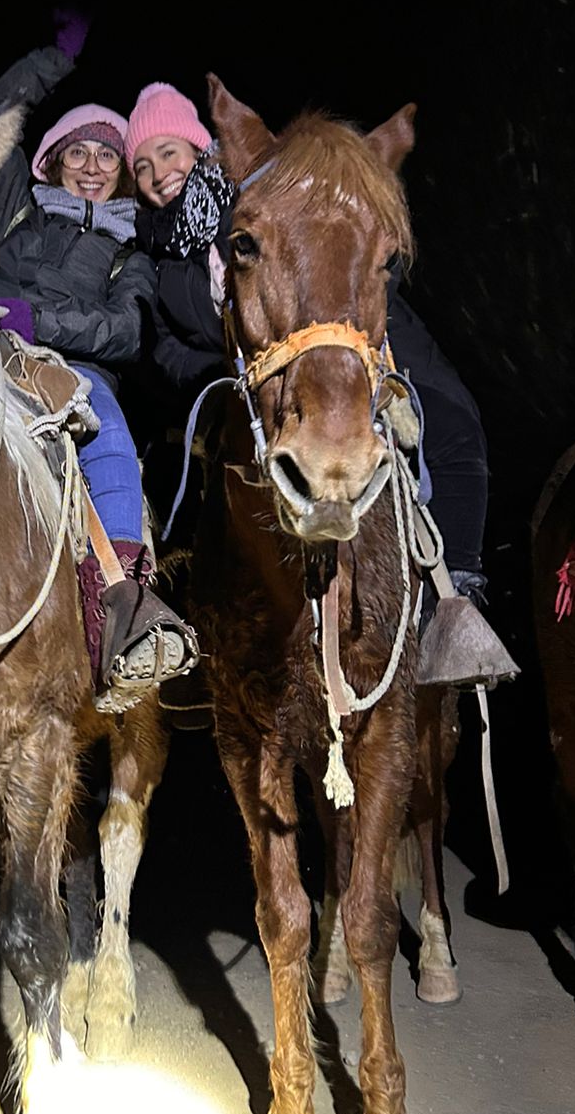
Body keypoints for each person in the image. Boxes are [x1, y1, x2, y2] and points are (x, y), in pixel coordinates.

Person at [124, 80, 502, 681]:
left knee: (450, 421)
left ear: (202, 148)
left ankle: (457, 598)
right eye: (141, 163)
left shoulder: (281, 192)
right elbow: (159, 342)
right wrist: (216, 374)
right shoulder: (154, 254)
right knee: (173, 485)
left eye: (168, 151)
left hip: (330, 345)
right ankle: (192, 633)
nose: (157, 171)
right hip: (230, 391)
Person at [0, 48, 197, 705]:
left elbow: (125, 331)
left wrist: (34, 319)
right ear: (53, 162)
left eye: (107, 156)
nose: (93, 167)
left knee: (109, 435)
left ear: (124, 172)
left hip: (73, 370)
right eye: (79, 153)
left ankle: (122, 610)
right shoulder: (19, 209)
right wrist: (54, 59)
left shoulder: (132, 249)